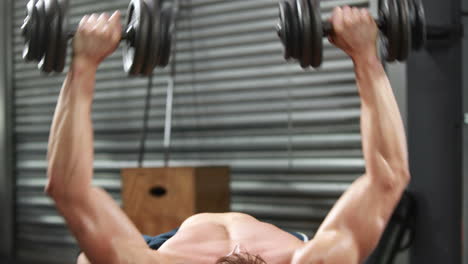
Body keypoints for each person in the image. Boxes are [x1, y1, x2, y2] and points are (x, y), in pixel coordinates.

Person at [46, 6, 410, 264]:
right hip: (283, 247)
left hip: (168, 247)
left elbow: (68, 189)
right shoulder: (311, 260)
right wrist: (366, 57)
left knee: (89, 258)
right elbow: (389, 177)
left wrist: (84, 65)